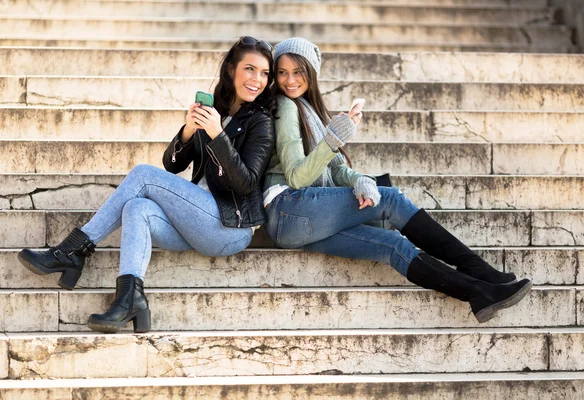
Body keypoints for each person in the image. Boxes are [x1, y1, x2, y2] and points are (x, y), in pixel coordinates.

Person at [262, 37, 531, 323]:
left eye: (298, 71)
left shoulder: (310, 110)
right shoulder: (286, 107)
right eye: (282, 72)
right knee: (390, 198)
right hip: (288, 207)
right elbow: (296, 176)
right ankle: (482, 271)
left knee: (392, 244)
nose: (290, 80)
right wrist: (332, 139)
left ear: (312, 72)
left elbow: (338, 169)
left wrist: (360, 181)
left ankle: (478, 292)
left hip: (302, 221)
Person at [17, 36, 276, 333]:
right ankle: (130, 299)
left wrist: (218, 136)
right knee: (137, 208)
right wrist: (190, 131)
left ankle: (73, 251)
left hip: (229, 227)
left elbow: (245, 184)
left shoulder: (261, 121)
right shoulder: (216, 110)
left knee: (142, 174)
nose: (257, 79)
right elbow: (173, 165)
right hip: (196, 220)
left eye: (264, 73)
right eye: (249, 69)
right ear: (231, 70)